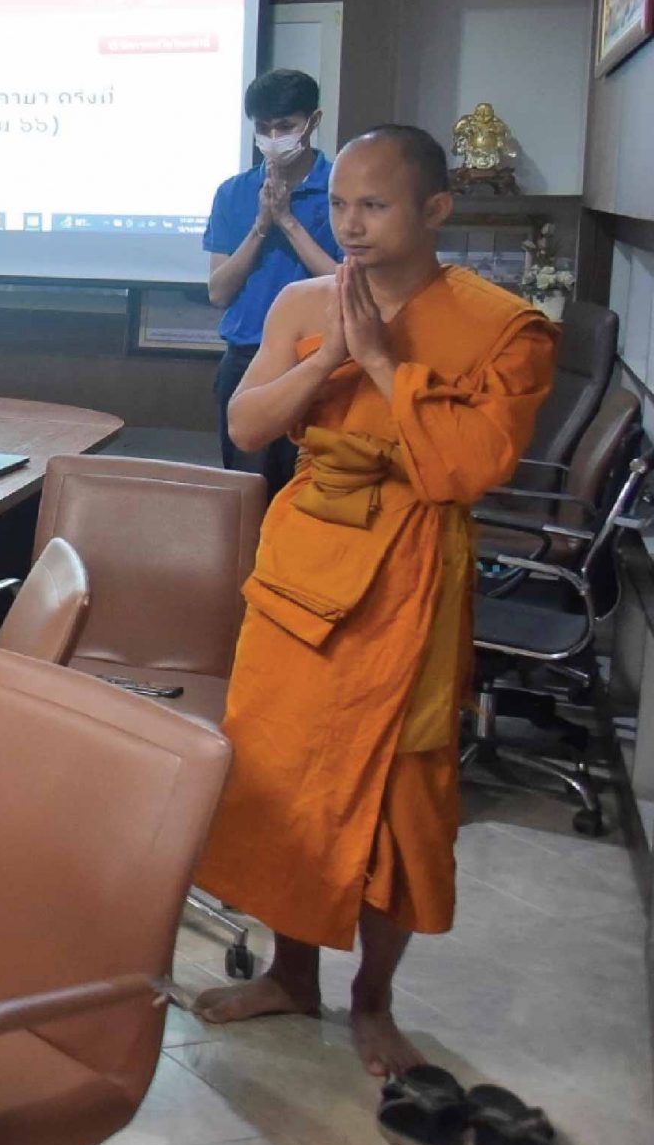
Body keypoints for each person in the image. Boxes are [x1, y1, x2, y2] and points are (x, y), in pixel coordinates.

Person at [189, 126, 554, 1077]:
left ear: (435, 210)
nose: (351, 224)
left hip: (411, 572)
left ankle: (374, 1001)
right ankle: (290, 975)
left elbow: (467, 467)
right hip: (302, 568)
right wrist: (329, 360)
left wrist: (388, 363)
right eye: (342, 205)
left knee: (402, 797)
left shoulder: (504, 327)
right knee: (280, 781)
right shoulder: (302, 303)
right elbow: (246, 423)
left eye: (375, 206)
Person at [203, 69, 338, 498]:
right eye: (263, 128)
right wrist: (262, 225)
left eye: (285, 126)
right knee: (248, 496)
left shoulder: (341, 189)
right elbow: (218, 291)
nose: (274, 138)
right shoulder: (233, 193)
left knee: (312, 494)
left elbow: (347, 285)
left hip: (320, 363)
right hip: (246, 361)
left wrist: (288, 221)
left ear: (313, 122)